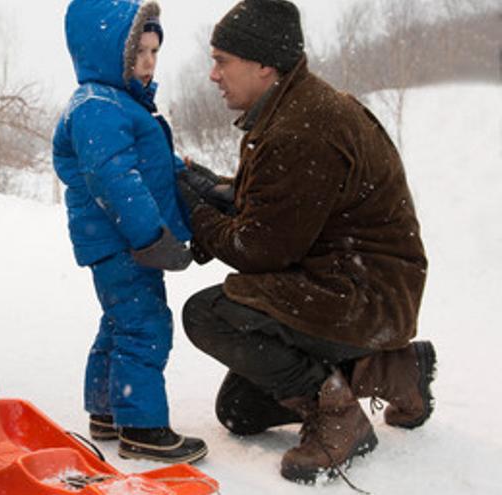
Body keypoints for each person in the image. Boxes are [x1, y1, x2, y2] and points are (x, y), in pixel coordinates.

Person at [176, 0, 436, 484]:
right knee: (240, 410)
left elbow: (260, 249)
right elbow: (281, 202)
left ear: (263, 64)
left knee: (209, 315)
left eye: (222, 60)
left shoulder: (303, 126)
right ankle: (391, 368)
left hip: (364, 292)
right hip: (340, 284)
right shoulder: (290, 109)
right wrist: (215, 188)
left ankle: (338, 417)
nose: (213, 74)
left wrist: (196, 213)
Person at [52, 0, 207, 464]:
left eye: (155, 52)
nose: (147, 62)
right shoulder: (98, 105)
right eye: (138, 51)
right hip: (125, 243)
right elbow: (114, 178)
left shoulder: (117, 105)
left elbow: (154, 164)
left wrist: (200, 179)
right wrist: (150, 237)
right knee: (145, 325)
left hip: (119, 243)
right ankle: (142, 427)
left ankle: (107, 411)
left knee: (121, 321)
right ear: (104, 51)